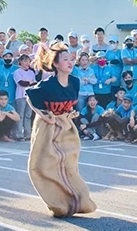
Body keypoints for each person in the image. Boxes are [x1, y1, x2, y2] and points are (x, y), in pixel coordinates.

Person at [24, 42, 96, 217]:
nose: (70, 62)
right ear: (56, 64)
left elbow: (69, 103)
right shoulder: (47, 84)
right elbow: (29, 96)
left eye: (71, 59)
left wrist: (71, 112)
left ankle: (78, 200)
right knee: (42, 164)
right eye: (65, 59)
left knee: (68, 164)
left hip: (66, 126)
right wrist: (42, 115)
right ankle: (57, 203)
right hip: (47, 126)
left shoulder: (75, 82)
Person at [12, 54, 35, 140]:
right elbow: (21, 83)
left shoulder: (31, 72)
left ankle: (28, 134)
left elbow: (35, 83)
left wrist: (29, 82)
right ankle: (18, 134)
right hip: (20, 95)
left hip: (29, 96)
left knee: (28, 115)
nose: (26, 63)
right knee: (20, 115)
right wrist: (29, 82)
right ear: (20, 62)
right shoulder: (17, 72)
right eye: (24, 61)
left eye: (28, 61)